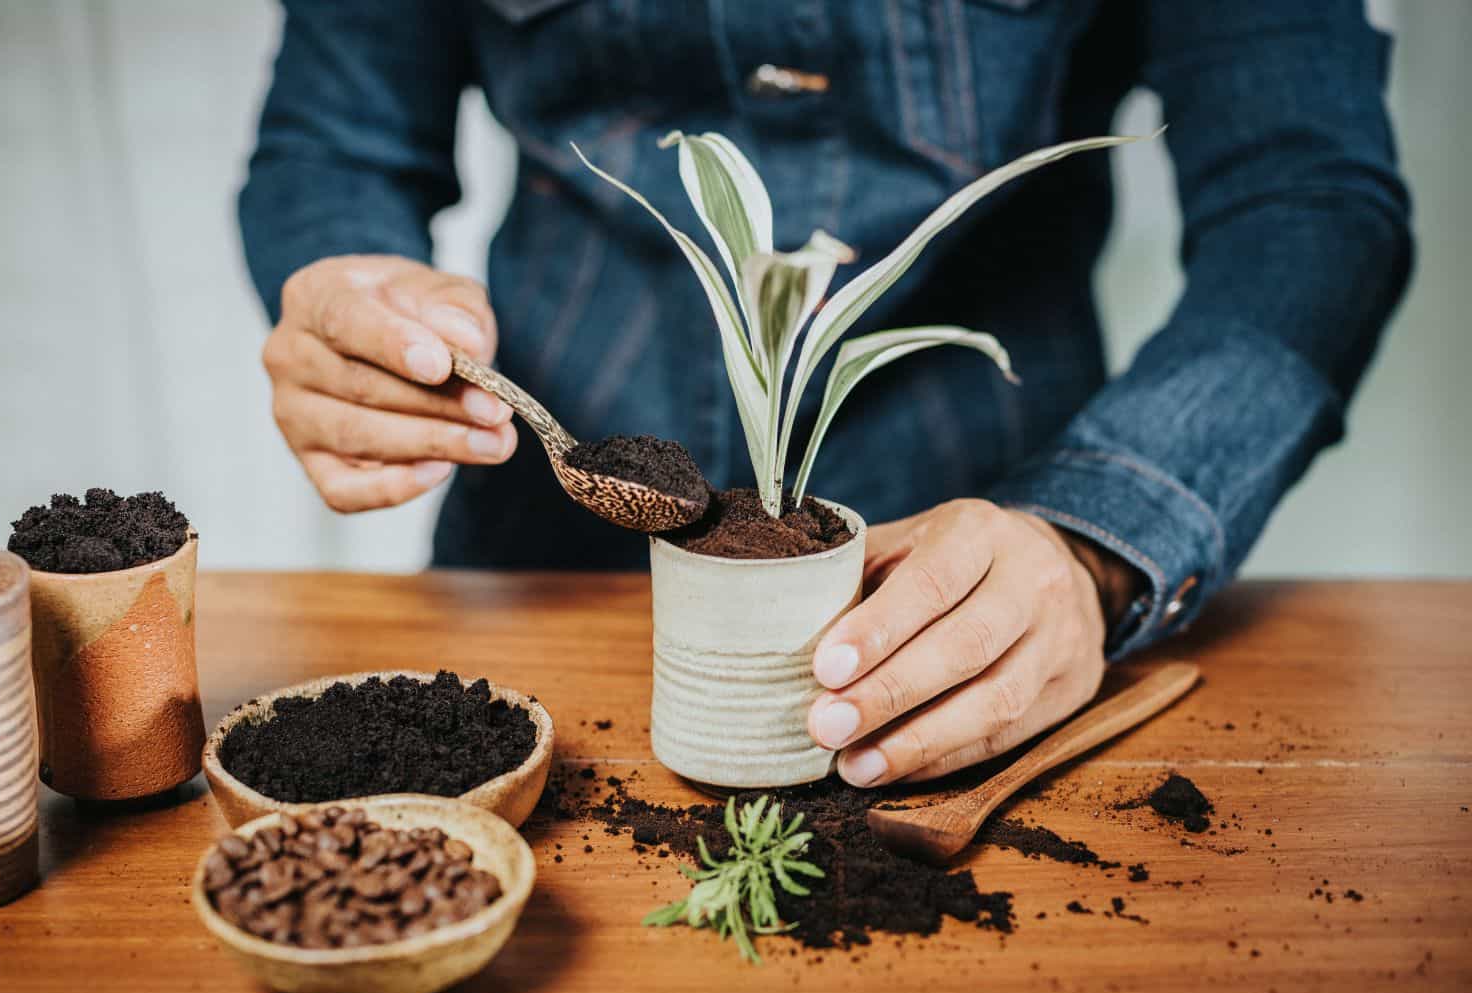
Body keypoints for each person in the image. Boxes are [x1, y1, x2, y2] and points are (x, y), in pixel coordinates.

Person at [239, 2, 1411, 788]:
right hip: (534, 573)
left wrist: (1095, 537)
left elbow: (1305, 194)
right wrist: (353, 289)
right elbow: (331, 141)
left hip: (976, 599)